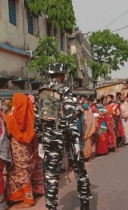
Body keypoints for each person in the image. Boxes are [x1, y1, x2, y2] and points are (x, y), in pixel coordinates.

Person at [34, 63, 92, 210]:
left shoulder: (40, 91)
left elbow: (37, 118)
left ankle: (51, 207)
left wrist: (40, 139)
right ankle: (85, 204)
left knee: (51, 175)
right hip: (66, 135)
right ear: (61, 75)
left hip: (48, 136)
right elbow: (70, 115)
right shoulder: (65, 89)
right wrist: (76, 139)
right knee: (80, 171)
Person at [4, 93, 36, 208]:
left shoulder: (11, 117)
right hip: (27, 146)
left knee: (18, 171)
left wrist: (6, 116)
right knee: (23, 170)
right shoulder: (30, 115)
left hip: (16, 146)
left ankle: (28, 199)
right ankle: (19, 196)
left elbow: (8, 133)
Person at [28, 94, 45, 196]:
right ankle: (39, 188)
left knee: (36, 163)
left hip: (36, 140)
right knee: (39, 163)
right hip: (38, 140)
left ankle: (37, 189)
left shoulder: (33, 111)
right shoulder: (39, 110)